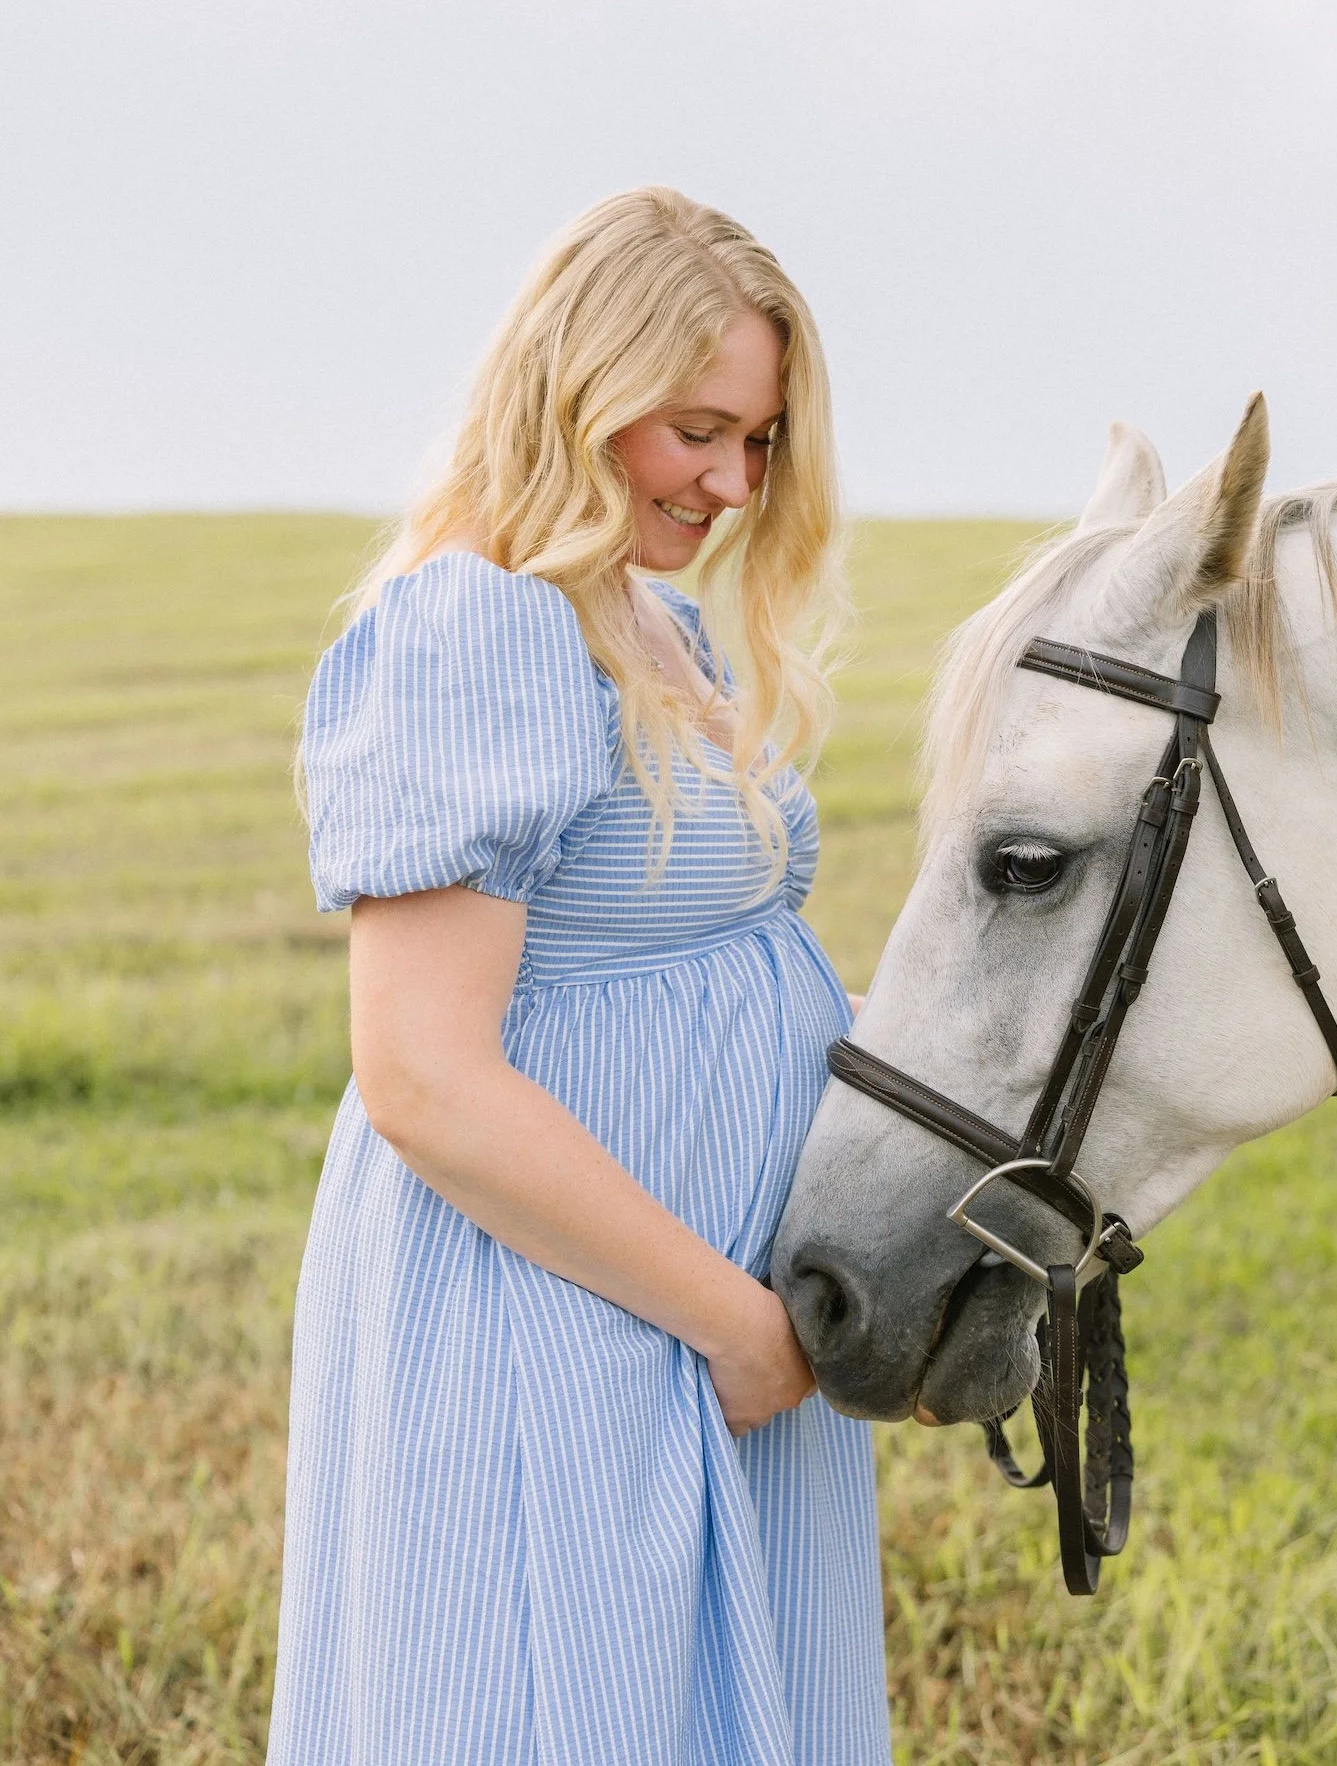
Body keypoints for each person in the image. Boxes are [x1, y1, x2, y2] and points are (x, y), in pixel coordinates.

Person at [267, 188, 891, 1766]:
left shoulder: (655, 622)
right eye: (698, 430)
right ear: (578, 389)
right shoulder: (481, 627)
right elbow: (424, 1076)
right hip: (562, 1312)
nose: (734, 483)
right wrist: (734, 1324)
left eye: (760, 441)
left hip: (690, 1307)